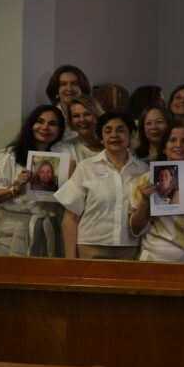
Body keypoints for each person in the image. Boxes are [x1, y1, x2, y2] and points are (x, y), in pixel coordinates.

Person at [0, 105, 66, 256]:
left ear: (59, 130)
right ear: (31, 125)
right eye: (40, 121)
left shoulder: (63, 157)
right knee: (9, 270)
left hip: (49, 227)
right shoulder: (10, 155)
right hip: (14, 227)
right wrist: (15, 188)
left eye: (52, 123)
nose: (45, 127)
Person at [56, 111, 147, 260]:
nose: (114, 135)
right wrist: (71, 259)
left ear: (132, 134)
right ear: (101, 137)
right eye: (108, 131)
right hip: (90, 246)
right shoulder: (86, 167)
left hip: (131, 248)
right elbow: (71, 217)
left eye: (121, 130)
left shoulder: (144, 171)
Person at [128, 120, 184, 262]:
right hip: (155, 259)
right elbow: (136, 230)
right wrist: (145, 201)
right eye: (172, 140)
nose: (178, 145)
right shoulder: (146, 180)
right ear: (164, 147)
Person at [60, 95, 105, 166]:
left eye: (87, 114)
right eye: (76, 116)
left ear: (98, 115)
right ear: (71, 121)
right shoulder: (66, 147)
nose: (82, 119)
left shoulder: (113, 143)